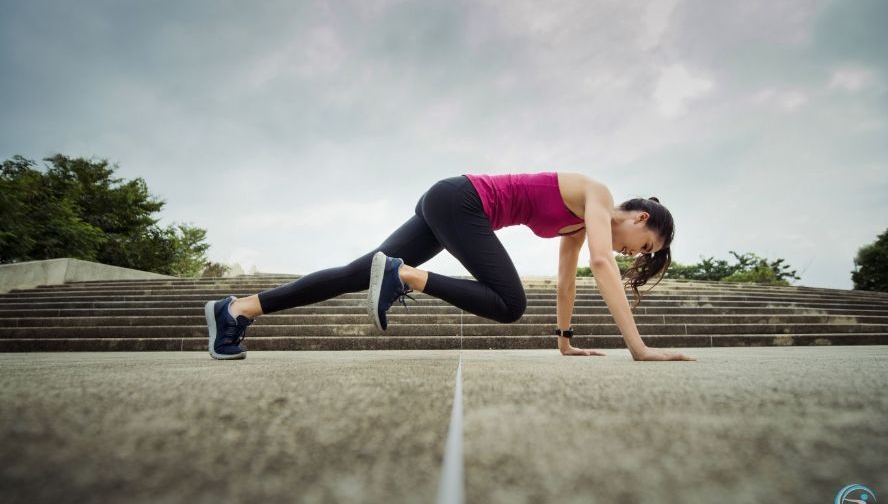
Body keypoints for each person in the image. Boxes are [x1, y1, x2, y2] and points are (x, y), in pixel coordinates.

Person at [204, 172, 696, 362]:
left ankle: (237, 311)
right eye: (645, 244)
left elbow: (571, 278)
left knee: (359, 272)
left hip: (448, 201)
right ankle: (406, 276)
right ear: (640, 217)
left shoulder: (578, 226)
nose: (638, 254)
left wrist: (564, 341)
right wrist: (639, 348)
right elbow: (603, 265)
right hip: (462, 202)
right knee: (510, 304)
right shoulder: (599, 195)